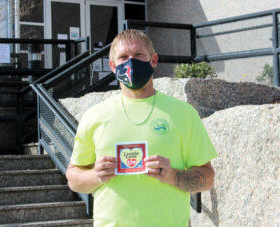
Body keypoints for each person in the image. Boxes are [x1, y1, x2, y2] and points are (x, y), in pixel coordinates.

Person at [66, 29, 218, 227]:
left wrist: (172, 175)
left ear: (153, 60)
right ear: (113, 66)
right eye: (123, 57)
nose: (131, 62)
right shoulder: (95, 116)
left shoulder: (183, 114)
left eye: (138, 55)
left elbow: (207, 179)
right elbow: (74, 179)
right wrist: (96, 175)